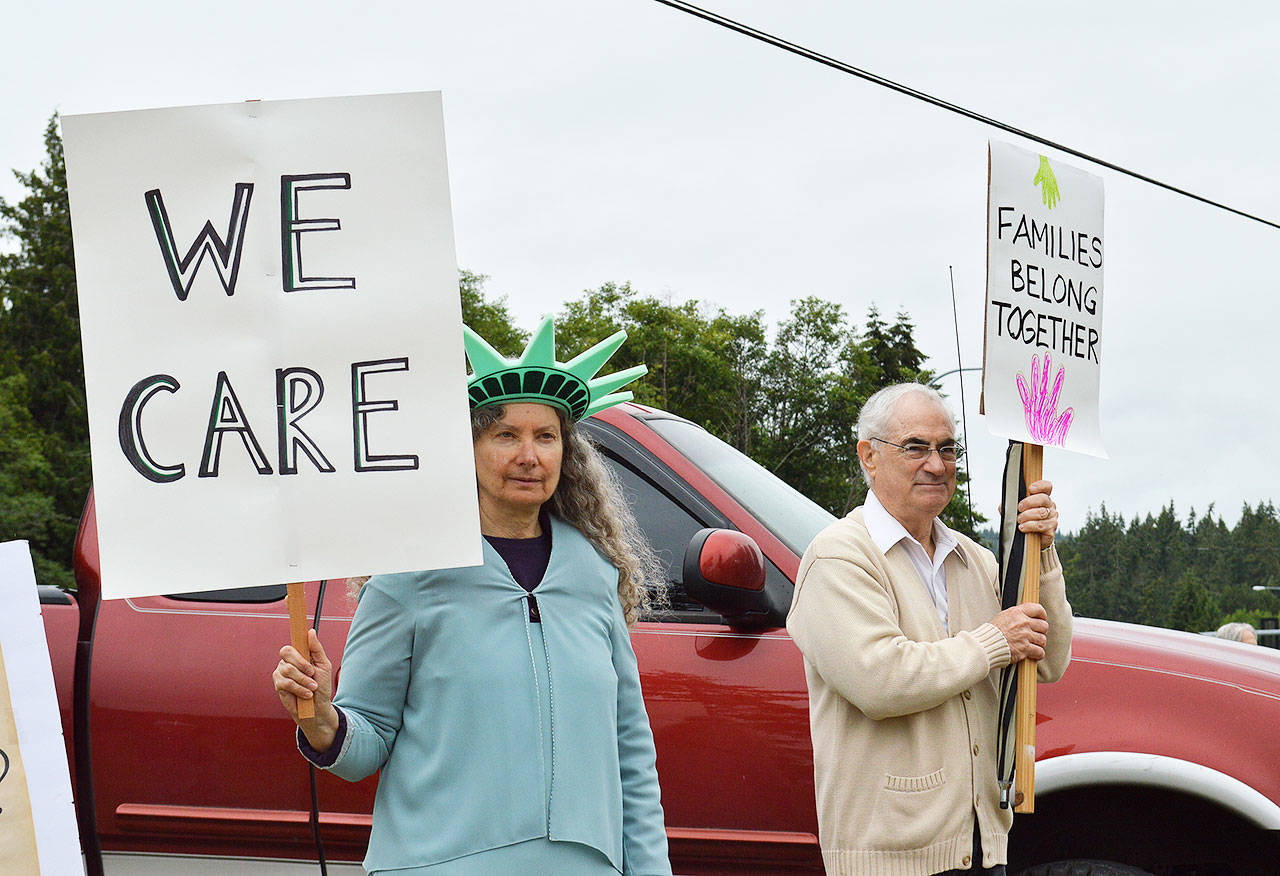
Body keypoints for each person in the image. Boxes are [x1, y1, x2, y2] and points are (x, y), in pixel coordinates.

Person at [272, 316, 672, 875]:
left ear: (567, 451)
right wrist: (320, 720)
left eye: (546, 436)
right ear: (467, 449)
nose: (529, 455)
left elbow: (630, 751)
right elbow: (367, 741)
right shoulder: (409, 572)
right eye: (505, 435)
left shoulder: (594, 572)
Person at [786, 383, 1072, 876]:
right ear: (869, 456)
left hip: (983, 846)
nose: (936, 465)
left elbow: (1049, 660)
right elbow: (880, 680)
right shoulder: (839, 557)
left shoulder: (975, 560)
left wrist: (1040, 550)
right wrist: (993, 641)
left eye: (947, 449)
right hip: (890, 860)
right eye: (916, 447)